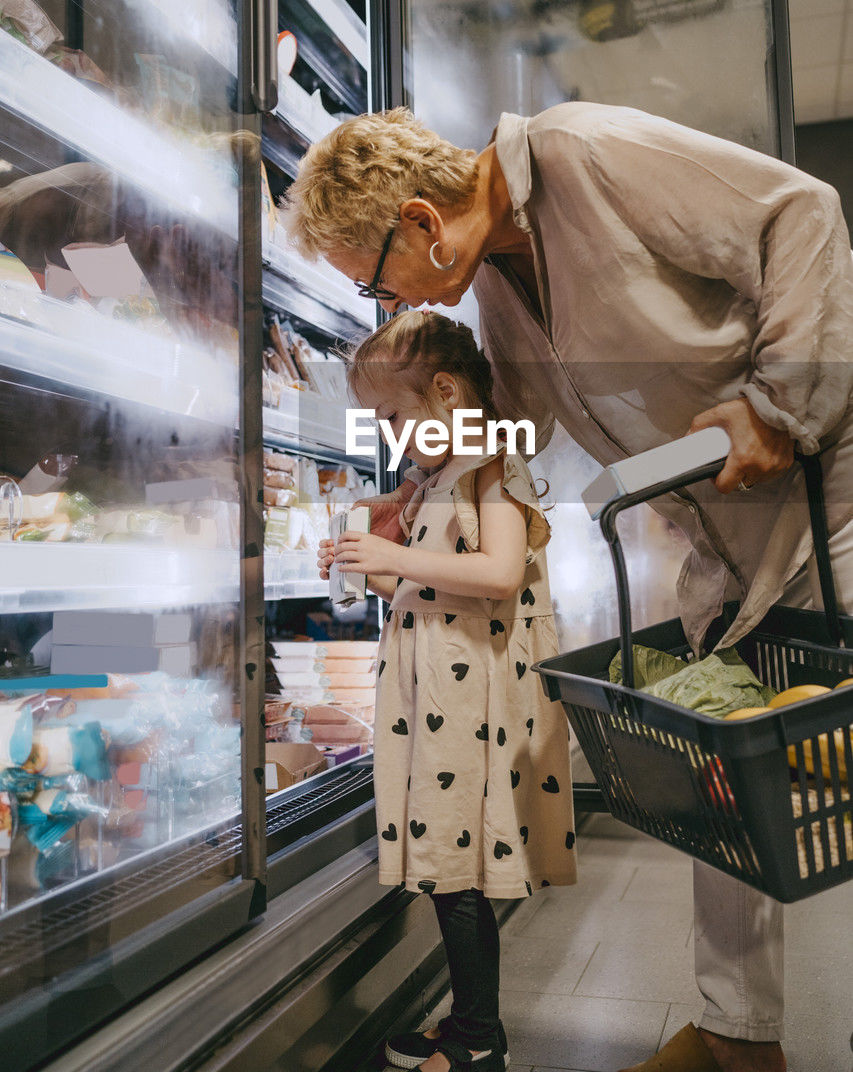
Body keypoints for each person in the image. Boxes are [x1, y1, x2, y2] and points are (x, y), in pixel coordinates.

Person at [289, 101, 853, 1072]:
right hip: (723, 541)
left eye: (376, 280)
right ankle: (735, 1037)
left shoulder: (586, 151)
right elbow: (520, 413)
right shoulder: (502, 285)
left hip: (829, 495)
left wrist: (779, 403)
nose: (387, 303)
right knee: (722, 796)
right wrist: (413, 487)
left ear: (422, 222)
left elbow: (797, 213)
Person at [317, 309, 577, 1072]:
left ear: (444, 391)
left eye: (394, 415)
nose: (391, 434)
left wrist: (390, 552)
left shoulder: (491, 464)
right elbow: (434, 586)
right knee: (445, 863)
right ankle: (469, 1019)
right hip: (442, 699)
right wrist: (375, 561)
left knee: (455, 869)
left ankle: (477, 1041)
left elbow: (497, 574)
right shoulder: (438, 477)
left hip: (472, 705)